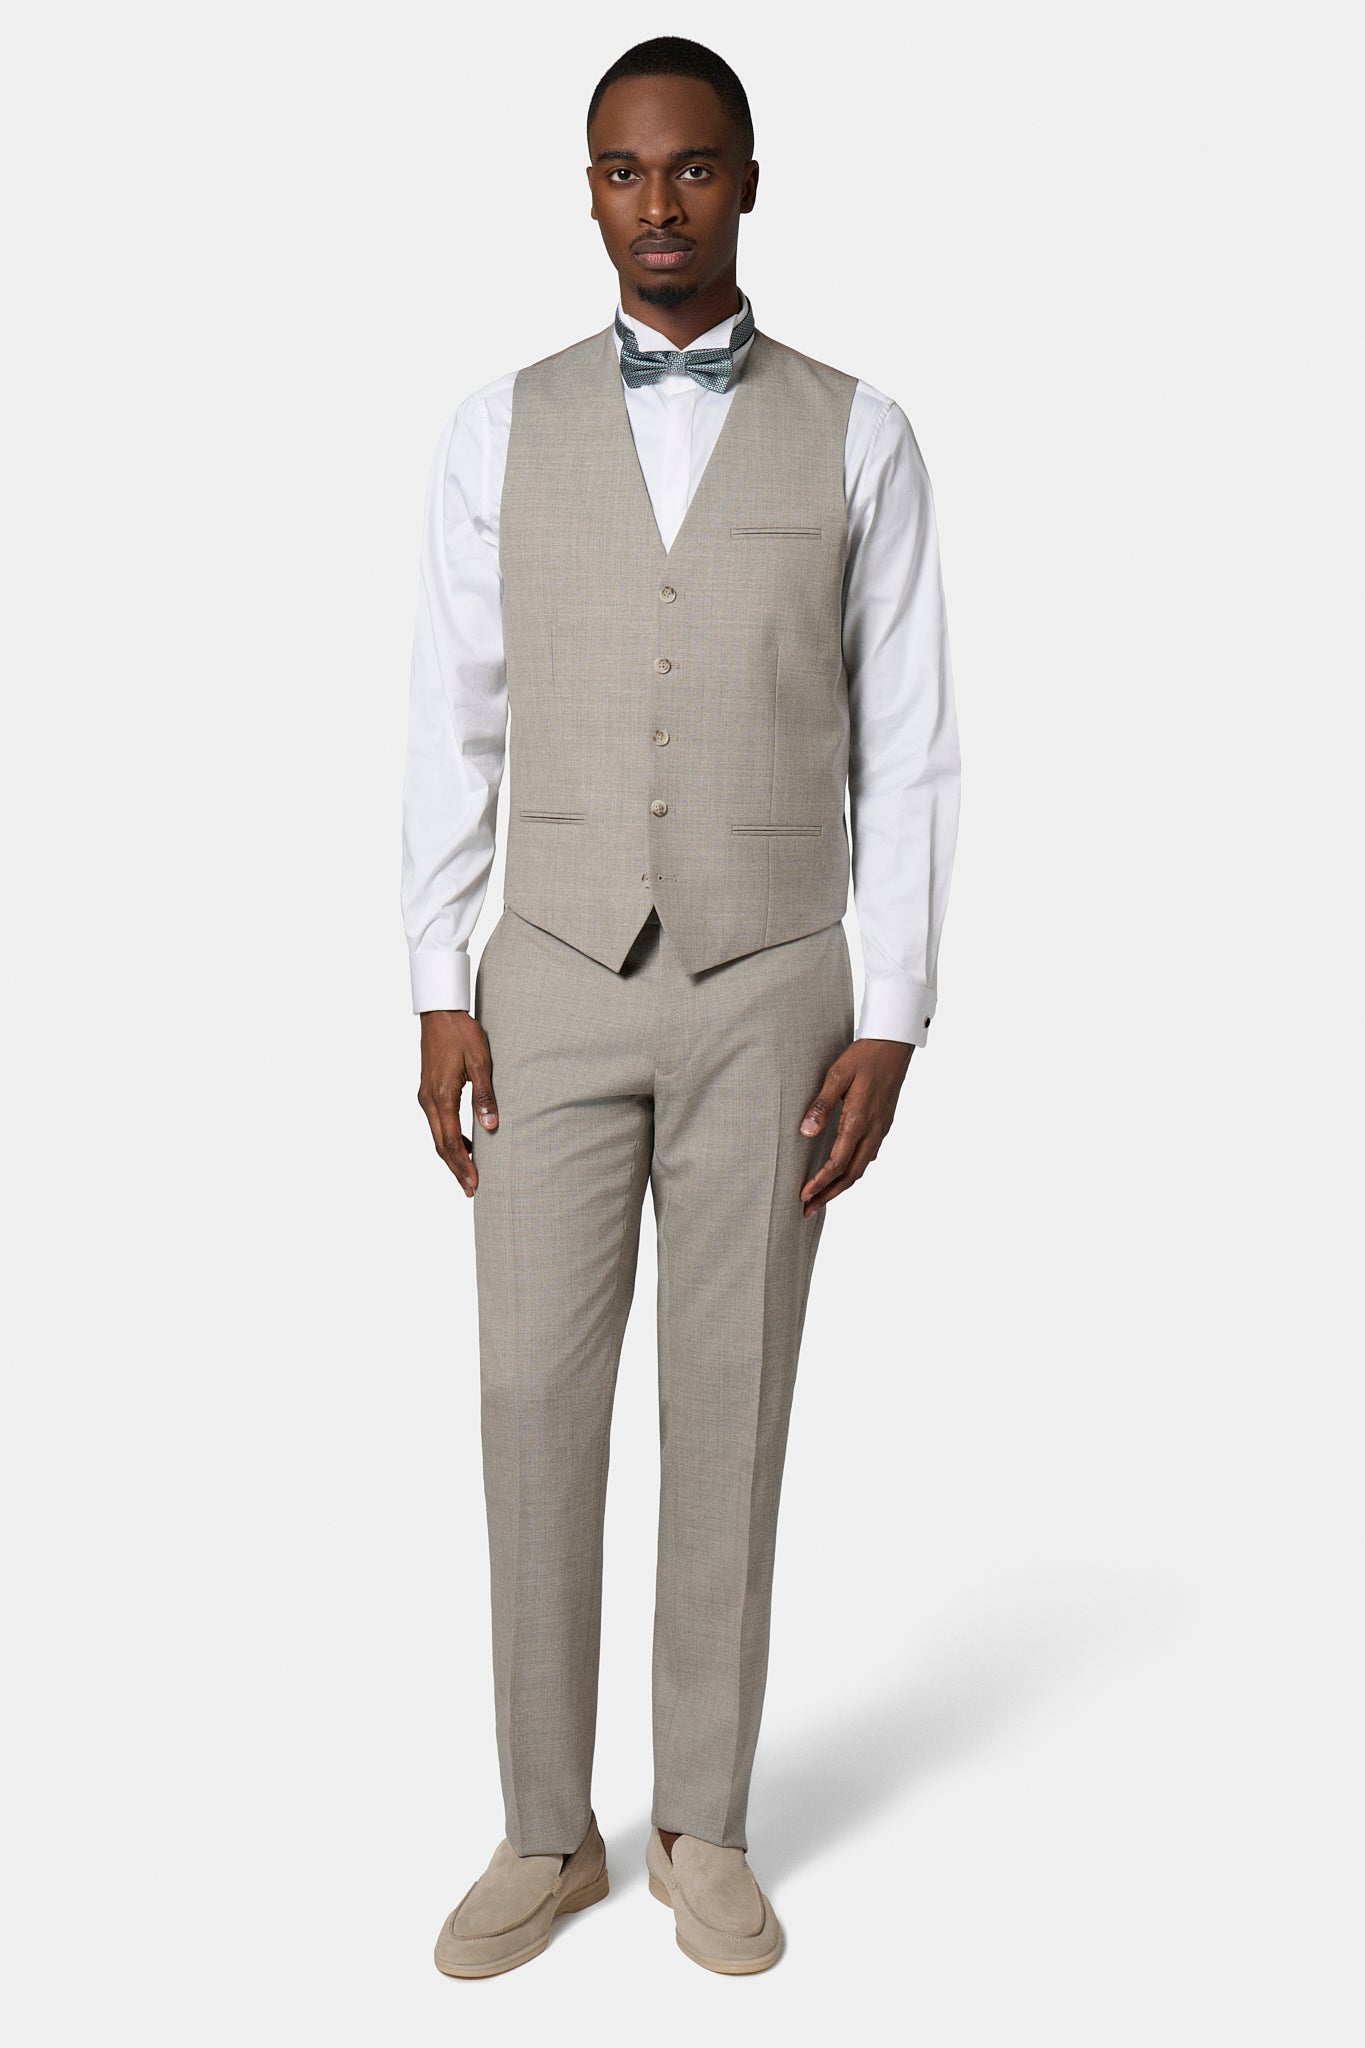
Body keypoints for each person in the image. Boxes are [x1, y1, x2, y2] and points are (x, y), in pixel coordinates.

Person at [401, 35, 961, 1979]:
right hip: (547, 974)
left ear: (746, 181)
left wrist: (892, 1007)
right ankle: (542, 1833)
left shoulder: (860, 433)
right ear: (587, 189)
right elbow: (449, 715)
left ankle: (700, 1822)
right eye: (624, 172)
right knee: (527, 1403)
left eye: (693, 168)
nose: (659, 204)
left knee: (730, 1407)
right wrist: (433, 978)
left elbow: (911, 742)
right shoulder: (495, 426)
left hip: (771, 984)